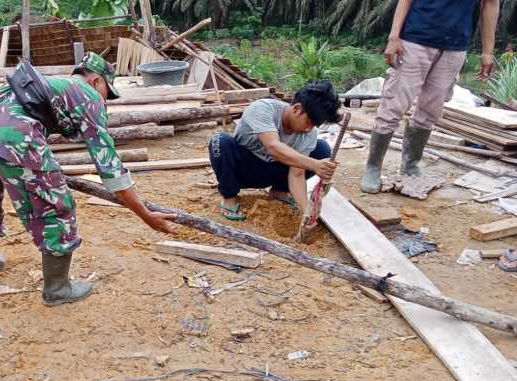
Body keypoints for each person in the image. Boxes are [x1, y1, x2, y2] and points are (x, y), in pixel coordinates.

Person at [0, 52, 175, 307]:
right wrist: (144, 214)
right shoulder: (89, 95)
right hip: (13, 137)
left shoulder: (53, 84)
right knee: (56, 206)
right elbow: (109, 165)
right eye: (107, 92)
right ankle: (58, 288)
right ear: (96, 81)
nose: (105, 100)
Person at [361, 0, 500, 193]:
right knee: (393, 104)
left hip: (455, 45)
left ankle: (410, 165)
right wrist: (394, 36)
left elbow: (490, 4)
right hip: (415, 39)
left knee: (431, 110)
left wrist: (487, 51)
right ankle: (373, 167)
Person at [207, 81, 341, 223]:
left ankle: (280, 191)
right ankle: (229, 197)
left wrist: (306, 212)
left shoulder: (309, 134)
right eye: (309, 122)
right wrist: (314, 164)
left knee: (322, 148)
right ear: (296, 109)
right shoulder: (263, 108)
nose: (309, 129)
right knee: (219, 141)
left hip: (273, 172)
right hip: (244, 170)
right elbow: (272, 146)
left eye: (314, 125)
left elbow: (297, 174)